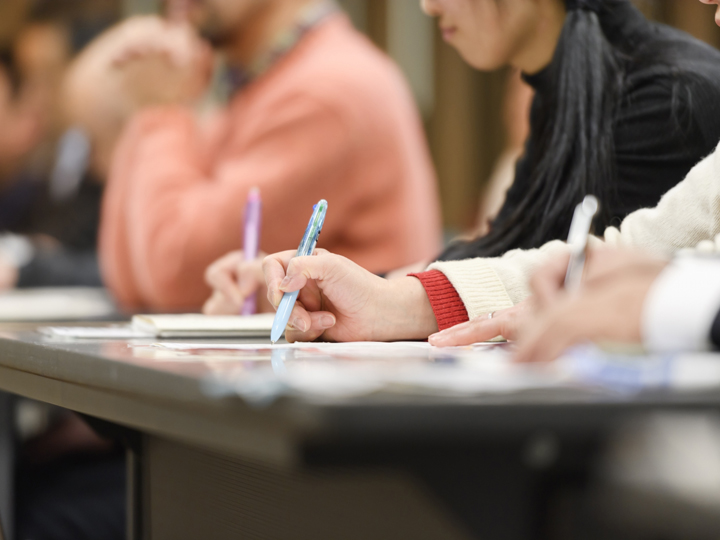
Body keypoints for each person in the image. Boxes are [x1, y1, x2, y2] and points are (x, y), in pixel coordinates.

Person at [206, 0, 720, 316]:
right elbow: (513, 258)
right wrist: (334, 287)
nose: (428, 6)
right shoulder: (563, 93)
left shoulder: (668, 99)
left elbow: (583, 280)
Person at [99, 0, 442, 312]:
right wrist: (157, 103)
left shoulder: (326, 91)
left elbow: (174, 278)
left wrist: (160, 109)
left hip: (345, 375)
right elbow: (130, 281)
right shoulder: (263, 77)